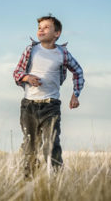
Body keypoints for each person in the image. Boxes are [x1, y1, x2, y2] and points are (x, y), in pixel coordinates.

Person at [13, 15, 84, 177]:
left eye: (46, 27)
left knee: (51, 144)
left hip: (51, 105)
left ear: (57, 33)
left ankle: (56, 179)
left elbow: (78, 72)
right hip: (29, 105)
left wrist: (75, 94)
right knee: (30, 145)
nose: (41, 30)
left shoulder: (63, 53)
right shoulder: (31, 50)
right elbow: (17, 72)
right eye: (39, 27)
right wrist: (27, 78)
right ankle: (28, 179)